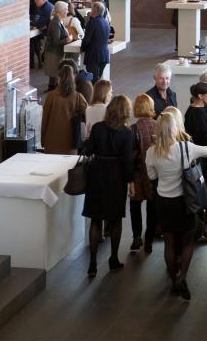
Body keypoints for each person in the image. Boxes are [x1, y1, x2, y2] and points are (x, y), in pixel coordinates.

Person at [144, 107, 207, 300]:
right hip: (184, 202)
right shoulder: (186, 148)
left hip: (163, 202)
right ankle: (183, 277)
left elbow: (152, 176)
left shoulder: (151, 152)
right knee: (187, 242)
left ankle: (173, 281)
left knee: (169, 242)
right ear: (175, 129)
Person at [82, 94, 135, 277]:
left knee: (96, 219)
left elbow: (88, 151)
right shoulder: (127, 133)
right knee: (115, 219)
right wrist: (130, 182)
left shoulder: (97, 128)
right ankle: (113, 258)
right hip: (116, 177)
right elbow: (127, 161)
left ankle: (92, 263)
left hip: (97, 174)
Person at [183, 82, 207, 243]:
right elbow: (201, 138)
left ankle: (200, 228)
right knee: (199, 192)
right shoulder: (197, 113)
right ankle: (198, 231)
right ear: (200, 96)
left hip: (201, 157)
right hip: (201, 159)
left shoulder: (198, 109)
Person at [128, 93, 159, 253]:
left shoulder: (132, 129)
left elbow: (130, 155)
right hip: (154, 173)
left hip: (138, 173)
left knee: (135, 205)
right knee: (152, 207)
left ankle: (136, 237)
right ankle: (149, 240)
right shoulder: (158, 125)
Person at [40, 63, 87, 154]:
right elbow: (87, 114)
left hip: (51, 142)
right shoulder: (78, 97)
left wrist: (43, 140)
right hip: (71, 143)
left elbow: (45, 119)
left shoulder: (51, 96)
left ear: (59, 78)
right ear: (73, 79)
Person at [44, 1, 73, 91]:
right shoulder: (55, 23)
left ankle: (53, 89)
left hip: (56, 52)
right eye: (66, 10)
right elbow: (55, 42)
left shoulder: (58, 21)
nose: (67, 12)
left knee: (54, 75)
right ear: (60, 11)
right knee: (54, 73)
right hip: (54, 53)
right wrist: (67, 39)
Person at [80, 1, 111, 81]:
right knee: (97, 79)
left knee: (92, 80)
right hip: (104, 54)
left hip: (94, 56)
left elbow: (87, 39)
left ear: (93, 11)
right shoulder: (106, 22)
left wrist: (82, 48)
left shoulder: (92, 22)